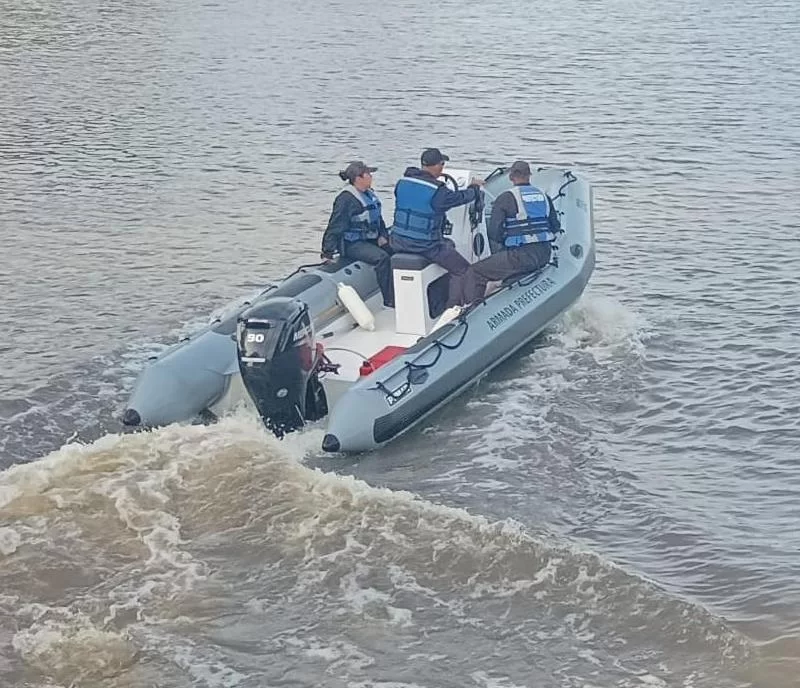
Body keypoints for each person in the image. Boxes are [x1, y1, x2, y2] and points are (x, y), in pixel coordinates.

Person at [390, 148, 484, 307]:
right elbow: (458, 198)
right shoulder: (438, 191)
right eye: (442, 164)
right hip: (424, 245)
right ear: (434, 166)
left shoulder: (402, 183)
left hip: (398, 241)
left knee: (448, 244)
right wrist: (474, 188)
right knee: (463, 270)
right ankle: (455, 308)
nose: (443, 168)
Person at [461, 160, 560, 304]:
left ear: (511, 177)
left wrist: (505, 244)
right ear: (529, 175)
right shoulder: (545, 197)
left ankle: (473, 309)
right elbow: (555, 226)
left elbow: (495, 233)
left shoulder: (505, 198)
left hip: (521, 257)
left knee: (475, 272)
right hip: (544, 254)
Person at [320, 160, 394, 308]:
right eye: (369, 174)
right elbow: (335, 226)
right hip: (352, 244)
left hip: (371, 238)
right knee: (382, 258)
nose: (371, 177)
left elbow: (378, 220)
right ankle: (389, 300)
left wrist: (383, 236)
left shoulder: (369, 194)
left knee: (395, 250)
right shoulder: (346, 199)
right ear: (358, 178)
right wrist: (327, 252)